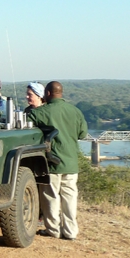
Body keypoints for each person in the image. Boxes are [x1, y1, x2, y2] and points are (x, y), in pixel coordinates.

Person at [26, 81, 88, 240]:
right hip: (71, 162)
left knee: (51, 196)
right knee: (70, 197)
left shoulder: (40, 112)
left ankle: (53, 229)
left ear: (47, 94)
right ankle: (70, 231)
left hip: (52, 161)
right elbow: (82, 134)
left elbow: (27, 130)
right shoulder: (75, 111)